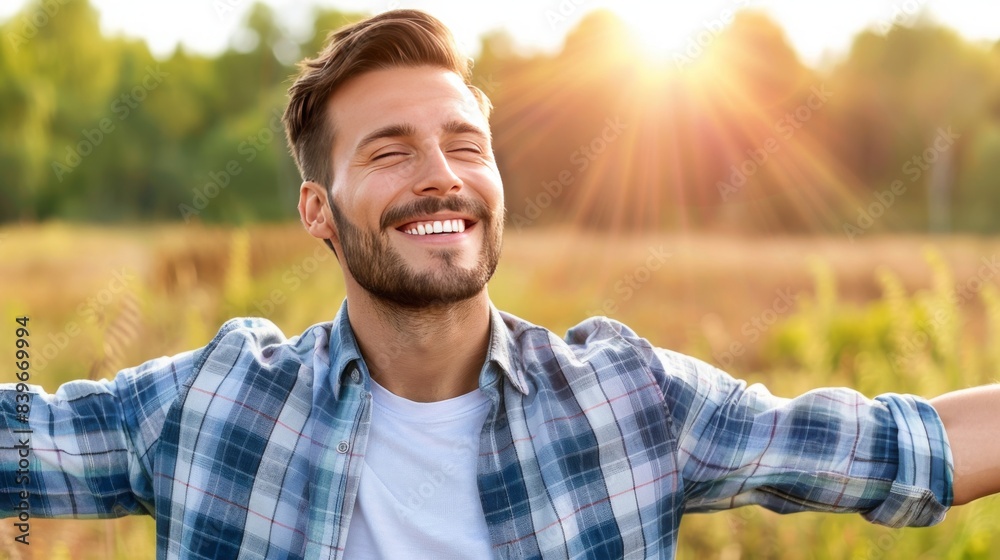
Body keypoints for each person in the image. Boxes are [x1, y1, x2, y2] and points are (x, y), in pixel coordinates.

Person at [2, 9, 998, 560]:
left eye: (464, 144)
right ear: (318, 213)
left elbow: (895, 448)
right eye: (390, 151)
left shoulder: (625, 396)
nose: (440, 172)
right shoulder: (214, 399)